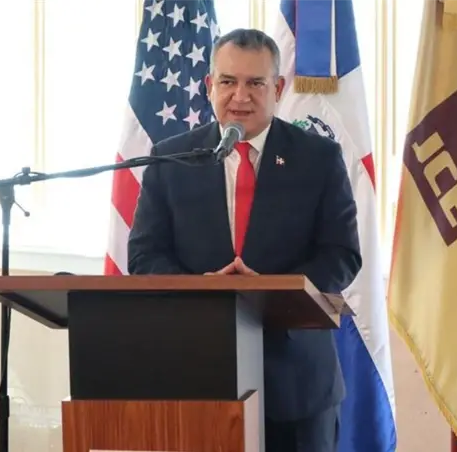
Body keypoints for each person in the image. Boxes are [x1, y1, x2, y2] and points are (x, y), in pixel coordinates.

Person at [127, 28, 361, 452]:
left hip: (298, 381)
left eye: (255, 83)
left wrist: (272, 291)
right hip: (197, 373)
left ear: (278, 89)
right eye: (228, 82)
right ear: (209, 86)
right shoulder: (171, 157)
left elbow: (342, 255)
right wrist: (200, 288)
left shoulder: (319, 158)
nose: (240, 96)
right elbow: (144, 255)